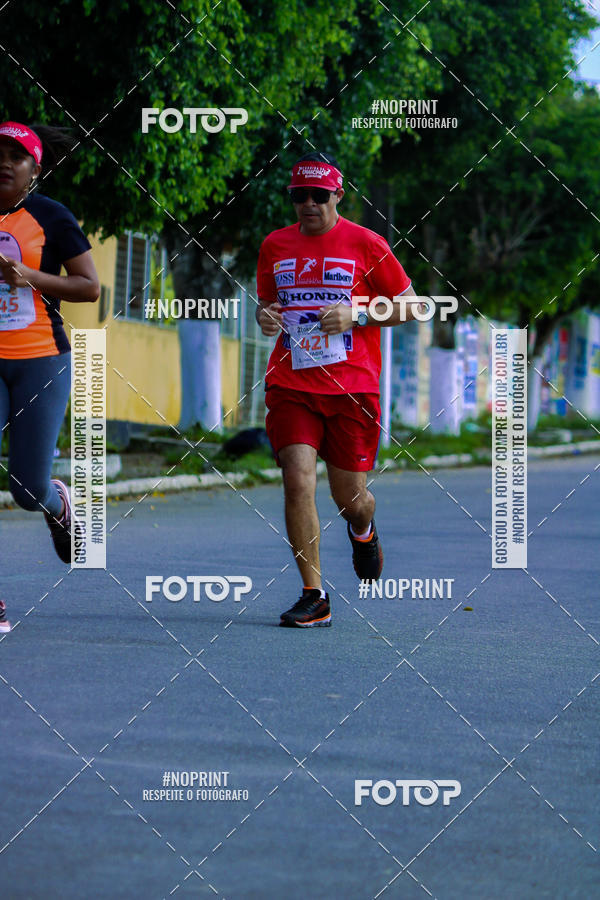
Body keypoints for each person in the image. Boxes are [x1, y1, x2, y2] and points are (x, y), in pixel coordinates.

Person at [256, 151, 421, 628]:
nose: (308, 204)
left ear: (338, 195)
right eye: (299, 196)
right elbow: (268, 305)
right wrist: (264, 317)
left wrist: (360, 314)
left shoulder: (367, 244)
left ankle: (364, 529)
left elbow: (413, 307)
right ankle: (315, 595)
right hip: (291, 381)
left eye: (318, 195)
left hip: (352, 387)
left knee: (350, 498)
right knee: (297, 477)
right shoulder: (274, 246)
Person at [0, 121, 100, 634]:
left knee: (25, 486)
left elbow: (90, 287)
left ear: (34, 169)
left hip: (40, 358)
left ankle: (57, 502)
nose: (3, 162)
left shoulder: (51, 217)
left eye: (15, 156)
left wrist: (30, 277)